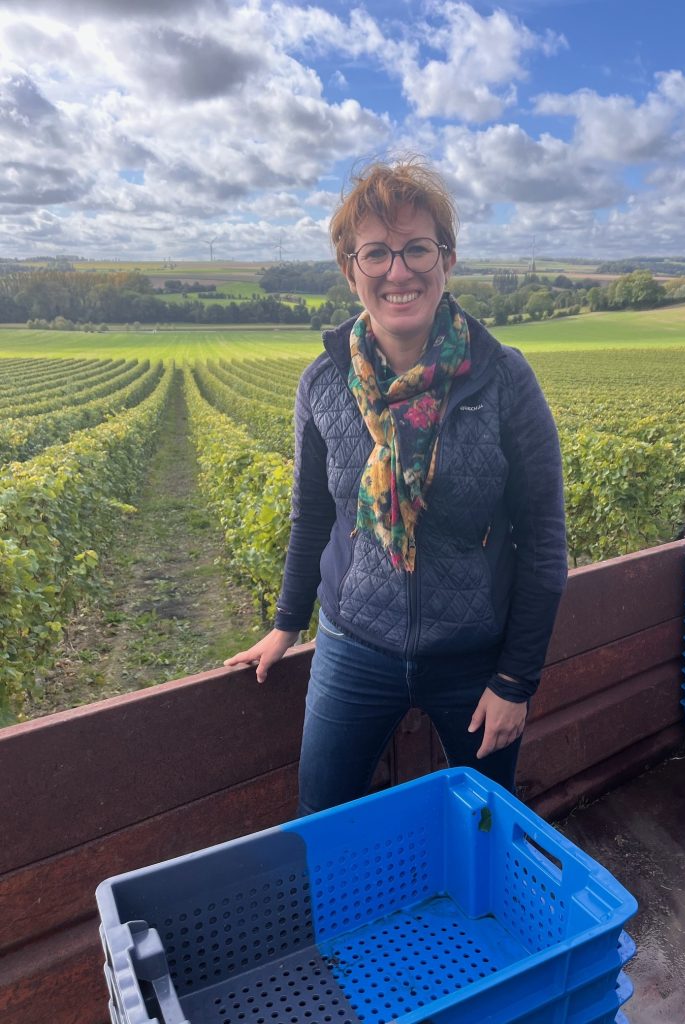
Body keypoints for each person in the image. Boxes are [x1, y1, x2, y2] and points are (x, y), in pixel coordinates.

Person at [225, 157, 568, 815]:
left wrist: (516, 681)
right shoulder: (323, 385)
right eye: (375, 253)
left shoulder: (503, 379)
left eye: (416, 249)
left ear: (448, 259)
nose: (398, 271)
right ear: (351, 270)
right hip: (354, 646)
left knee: (488, 825)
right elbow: (312, 517)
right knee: (323, 820)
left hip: (474, 657)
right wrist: (287, 624)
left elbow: (545, 539)